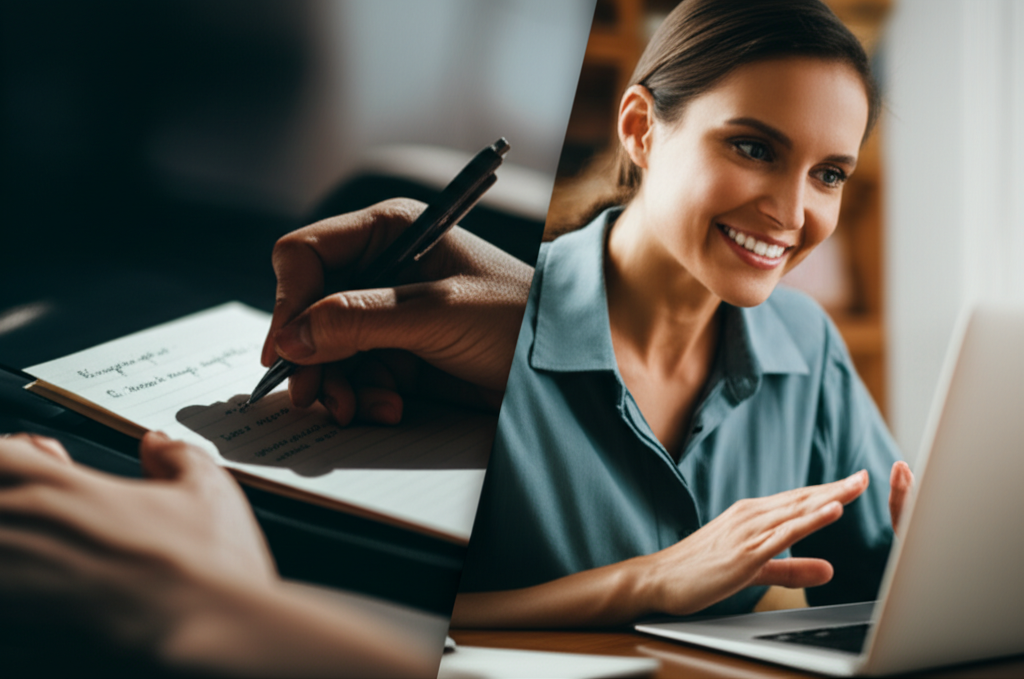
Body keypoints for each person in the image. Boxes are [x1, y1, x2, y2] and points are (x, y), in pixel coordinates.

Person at [450, 0, 914, 628]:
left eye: (828, 174)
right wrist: (648, 582)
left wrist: (929, 563)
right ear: (642, 128)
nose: (793, 213)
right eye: (754, 148)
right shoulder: (488, 328)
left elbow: (881, 594)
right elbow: (385, 607)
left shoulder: (808, 346)